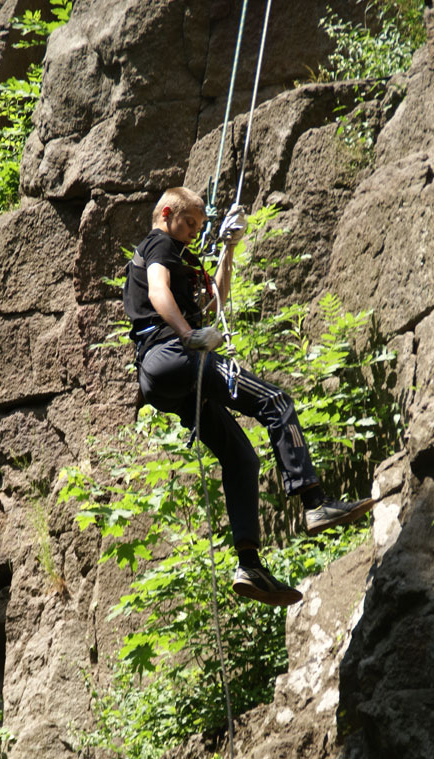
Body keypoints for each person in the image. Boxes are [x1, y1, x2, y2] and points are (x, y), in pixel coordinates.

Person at [123, 186, 375, 607]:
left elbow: (217, 299)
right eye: (189, 224)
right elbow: (156, 291)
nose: (191, 233)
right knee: (275, 402)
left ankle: (248, 563)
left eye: (198, 227)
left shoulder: (179, 254)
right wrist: (188, 335)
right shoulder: (160, 243)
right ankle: (314, 501)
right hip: (175, 354)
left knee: (241, 458)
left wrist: (229, 248)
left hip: (161, 379)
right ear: (166, 214)